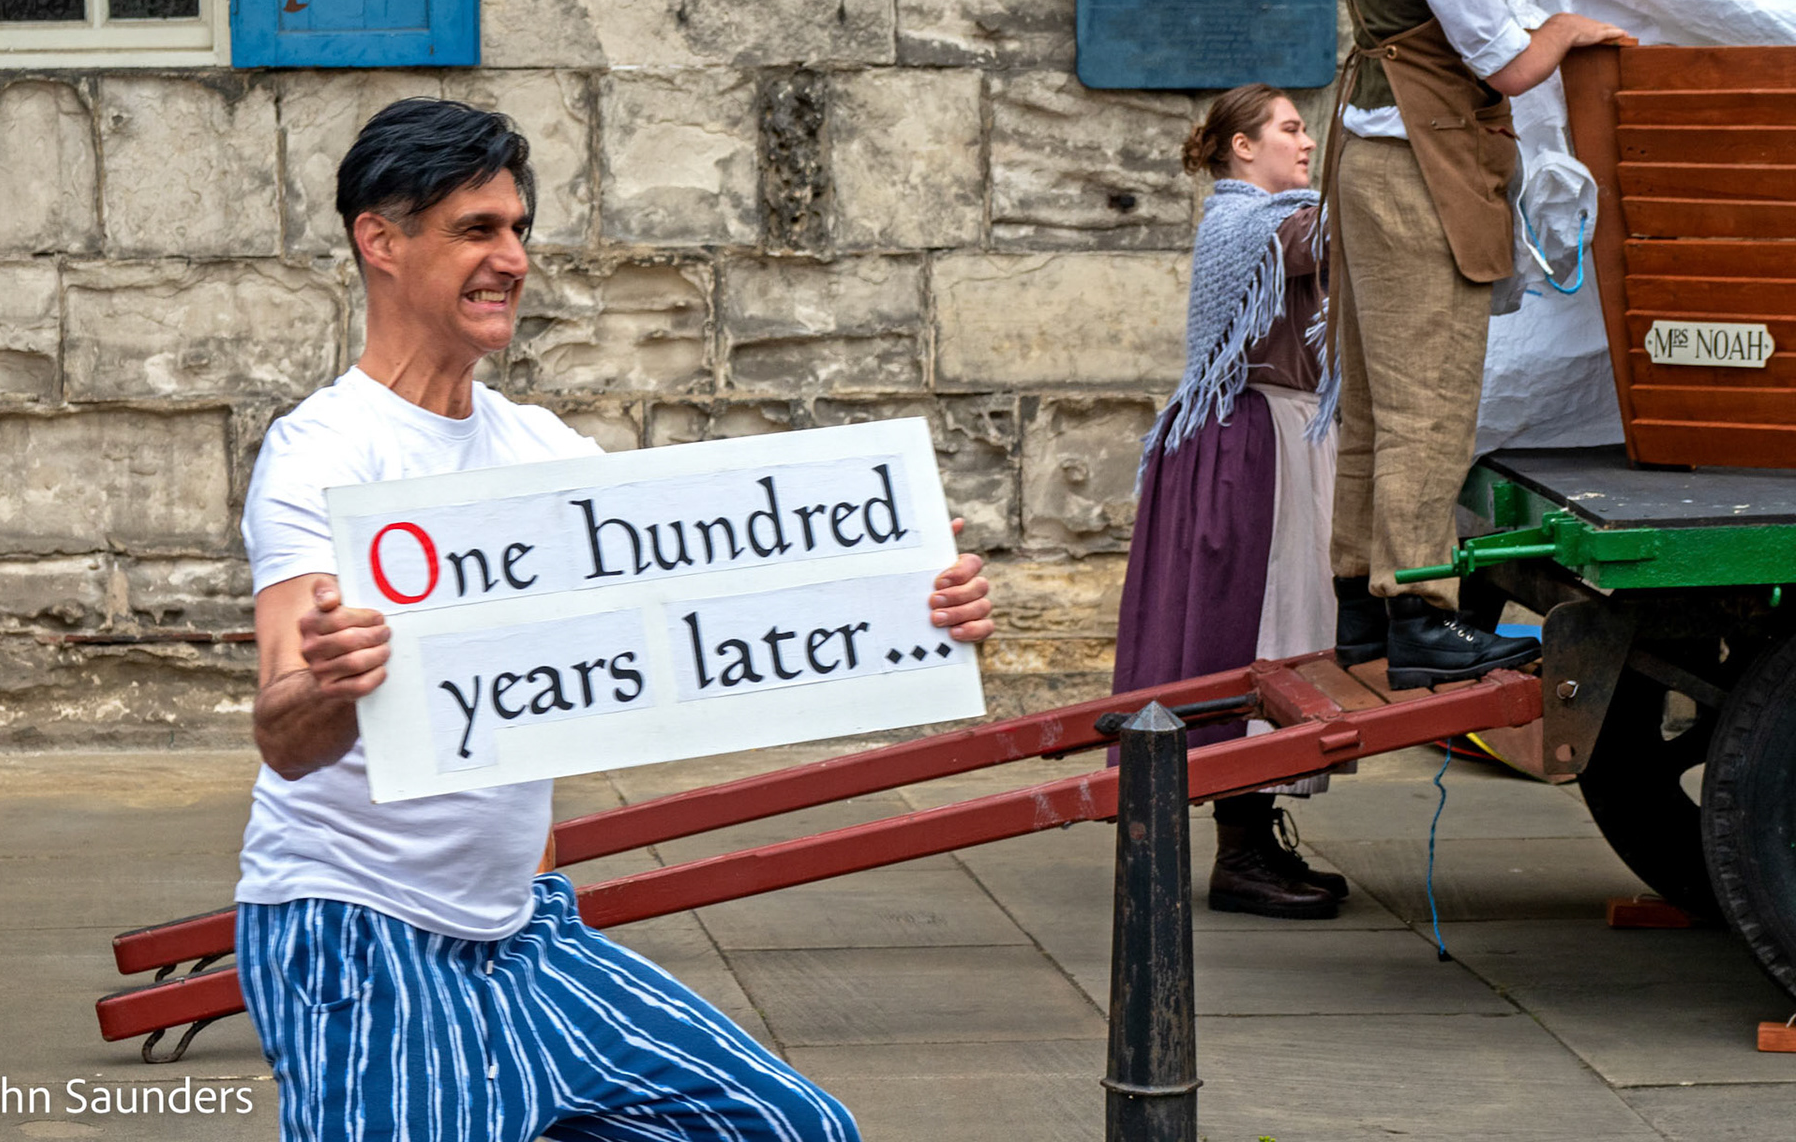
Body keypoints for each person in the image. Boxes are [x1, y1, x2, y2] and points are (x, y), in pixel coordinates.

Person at [237, 98, 995, 1142]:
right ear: (381, 240)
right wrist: (333, 677)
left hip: (523, 932)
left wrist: (911, 604)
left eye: (517, 229)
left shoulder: (543, 451)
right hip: (358, 932)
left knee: (793, 1131)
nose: (513, 258)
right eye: (476, 230)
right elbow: (284, 734)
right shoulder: (323, 455)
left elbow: (710, 606)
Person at [1323, 0, 1628, 688]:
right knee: (1432, 399)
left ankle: (1361, 611)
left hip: (1370, 167)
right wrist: (1572, 28)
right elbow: (1501, 64)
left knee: (1376, 397)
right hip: (1419, 175)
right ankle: (1419, 614)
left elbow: (1426, 3)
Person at [1113, 85, 1347, 920]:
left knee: (1270, 627)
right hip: (1253, 446)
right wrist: (1383, 159)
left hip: (1268, 435)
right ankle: (1241, 852)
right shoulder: (1251, 222)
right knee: (1258, 631)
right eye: (1291, 128)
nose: (1308, 141)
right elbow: (1341, 235)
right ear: (1242, 147)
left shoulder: (1271, 218)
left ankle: (1251, 838)